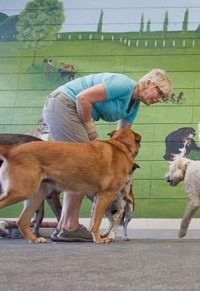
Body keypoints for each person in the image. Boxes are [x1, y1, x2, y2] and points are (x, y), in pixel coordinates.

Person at [42, 69, 173, 242]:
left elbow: (121, 139)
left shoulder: (133, 105)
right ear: (149, 83)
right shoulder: (123, 84)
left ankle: (65, 225)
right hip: (64, 104)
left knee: (81, 169)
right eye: (160, 93)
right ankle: (69, 226)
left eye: (163, 97)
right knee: (83, 168)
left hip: (72, 110)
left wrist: (123, 168)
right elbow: (83, 98)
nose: (159, 99)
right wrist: (93, 135)